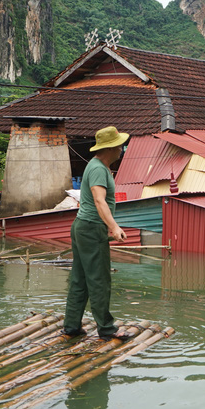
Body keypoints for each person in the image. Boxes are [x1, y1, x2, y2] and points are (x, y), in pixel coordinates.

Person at [63, 126, 132, 340]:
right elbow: (99, 200)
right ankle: (107, 329)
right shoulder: (98, 169)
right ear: (111, 148)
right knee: (99, 279)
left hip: (84, 226)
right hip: (91, 228)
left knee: (81, 278)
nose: (121, 150)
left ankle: (72, 326)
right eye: (120, 146)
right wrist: (114, 227)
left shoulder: (97, 167)